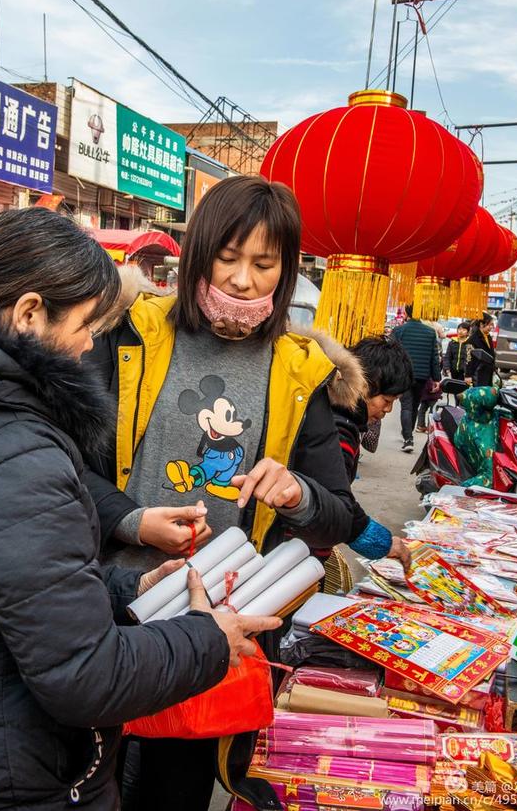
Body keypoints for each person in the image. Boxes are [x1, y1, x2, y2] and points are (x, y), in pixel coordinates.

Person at [0, 208, 280, 811]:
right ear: (29, 314)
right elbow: (86, 677)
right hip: (2, 773)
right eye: (85, 325)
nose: (88, 346)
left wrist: (120, 587)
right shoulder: (12, 454)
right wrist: (209, 638)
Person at [86, 176, 411, 811]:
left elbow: (339, 516)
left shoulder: (301, 369)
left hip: (212, 629)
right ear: (198, 252)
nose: (241, 280)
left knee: (171, 787)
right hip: (105, 605)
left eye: (263, 265)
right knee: (89, 772)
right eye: (227, 258)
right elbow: (66, 469)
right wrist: (133, 522)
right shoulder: (128, 336)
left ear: (287, 271)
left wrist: (297, 495)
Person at [329, 335, 414, 569]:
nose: (388, 409)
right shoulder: (337, 429)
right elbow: (335, 504)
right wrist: (381, 542)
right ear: (365, 385)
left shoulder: (337, 414)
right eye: (386, 400)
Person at [392, 304, 442, 453]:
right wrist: (436, 378)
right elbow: (434, 357)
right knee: (414, 405)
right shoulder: (430, 332)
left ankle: (408, 438)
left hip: (404, 374)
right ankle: (409, 433)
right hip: (422, 375)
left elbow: (392, 353)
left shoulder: (399, 330)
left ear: (406, 313)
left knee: (406, 405)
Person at [465, 312, 497, 386]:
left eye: (492, 325)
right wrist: (468, 375)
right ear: (481, 324)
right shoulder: (472, 339)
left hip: (487, 372)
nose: (491, 327)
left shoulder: (488, 337)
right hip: (477, 373)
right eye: (489, 325)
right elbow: (468, 358)